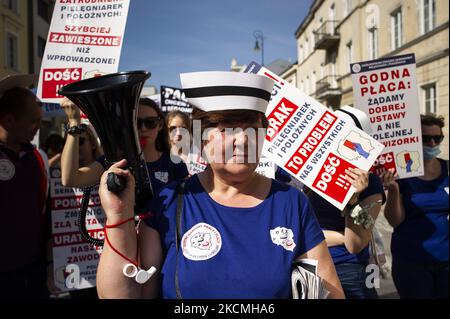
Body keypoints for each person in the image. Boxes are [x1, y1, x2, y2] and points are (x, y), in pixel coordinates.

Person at [96, 71, 344, 299]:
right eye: (227, 129)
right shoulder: (170, 200)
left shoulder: (291, 202)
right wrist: (118, 216)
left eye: (252, 129)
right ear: (201, 138)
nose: (243, 140)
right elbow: (125, 295)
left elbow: (327, 292)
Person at [306, 106, 385, 299]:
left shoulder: (370, 183)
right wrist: (338, 236)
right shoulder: (312, 177)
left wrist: (352, 201)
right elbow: (299, 231)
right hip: (309, 268)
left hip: (347, 270)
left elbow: (355, 244)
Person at [60, 97, 188, 195]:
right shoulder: (113, 162)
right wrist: (74, 123)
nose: (143, 129)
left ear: (160, 126)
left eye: (150, 122)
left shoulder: (175, 164)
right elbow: (70, 180)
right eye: (136, 122)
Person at [381, 113, 448, 299]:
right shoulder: (401, 172)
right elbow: (395, 221)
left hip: (446, 260)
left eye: (438, 138)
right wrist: (393, 190)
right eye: (427, 139)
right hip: (412, 261)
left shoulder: (448, 169)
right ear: (415, 139)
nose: (433, 144)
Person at [0, 74, 50, 298]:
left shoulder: (38, 158)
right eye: (33, 121)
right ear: (9, 120)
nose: (39, 127)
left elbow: (45, 211)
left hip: (33, 270)